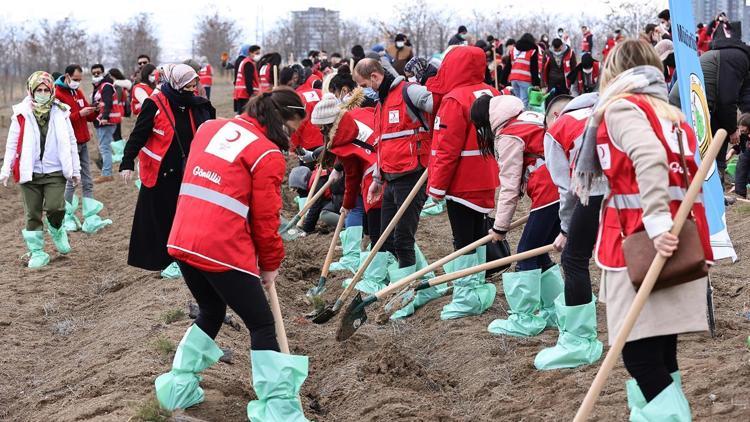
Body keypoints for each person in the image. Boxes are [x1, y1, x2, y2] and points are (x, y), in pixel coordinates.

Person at [573, 39, 712, 420]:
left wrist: (655, 224)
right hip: (680, 242)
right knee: (662, 347)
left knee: (637, 352)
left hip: (638, 245)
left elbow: (649, 158)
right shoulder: (673, 114)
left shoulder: (620, 108)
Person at [156, 88, 309, 420]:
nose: (291, 138)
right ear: (281, 120)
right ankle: (279, 409)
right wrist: (269, 265)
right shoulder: (267, 155)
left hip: (183, 239)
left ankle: (179, 386)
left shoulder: (210, 128)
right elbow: (267, 220)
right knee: (261, 323)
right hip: (221, 248)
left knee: (211, 309)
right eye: (293, 129)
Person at [471, 94, 563, 338]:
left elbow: (509, 186)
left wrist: (500, 228)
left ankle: (525, 319)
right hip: (563, 185)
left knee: (524, 254)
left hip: (550, 189)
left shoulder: (508, 135)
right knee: (539, 251)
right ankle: (555, 309)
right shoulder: (525, 115)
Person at [353, 58, 436, 311]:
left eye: (364, 84)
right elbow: (384, 145)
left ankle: (405, 297)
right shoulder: (381, 102)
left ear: (376, 77)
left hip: (413, 175)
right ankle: (425, 283)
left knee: (403, 238)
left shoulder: (409, 92)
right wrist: (377, 179)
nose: (363, 90)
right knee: (387, 236)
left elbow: (440, 106)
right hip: (390, 179)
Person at [119, 64, 215, 279]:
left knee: (188, 216)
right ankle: (170, 259)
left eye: (194, 86)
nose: (192, 91)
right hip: (162, 173)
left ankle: (189, 255)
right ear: (176, 84)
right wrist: (126, 162)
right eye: (187, 87)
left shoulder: (199, 105)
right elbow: (138, 135)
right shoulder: (154, 104)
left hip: (191, 171)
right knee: (165, 217)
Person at [426, 46, 500, 320]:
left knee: (463, 239)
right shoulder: (493, 92)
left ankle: (467, 295)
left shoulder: (454, 99)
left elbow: (447, 148)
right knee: (478, 235)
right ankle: (477, 286)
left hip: (462, 182)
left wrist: (436, 187)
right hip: (486, 177)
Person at [533, 92, 604, 371]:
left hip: (595, 188)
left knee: (574, 259)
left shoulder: (558, 129)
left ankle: (578, 340)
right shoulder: (604, 107)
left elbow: (567, 188)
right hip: (631, 187)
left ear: (552, 116)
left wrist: (566, 228)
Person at [1, 71, 80, 268]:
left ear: (52, 90)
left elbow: (71, 142)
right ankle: (37, 252)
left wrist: (75, 170)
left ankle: (56, 228)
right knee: (33, 214)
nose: (43, 93)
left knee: (56, 207)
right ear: (31, 91)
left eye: (46, 90)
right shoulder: (21, 113)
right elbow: (11, 144)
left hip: (55, 171)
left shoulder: (61, 111)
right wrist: (5, 170)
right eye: (39, 90)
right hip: (30, 172)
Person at [311, 90, 387, 291]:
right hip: (387, 162)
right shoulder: (351, 116)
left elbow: (352, 178)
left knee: (376, 228)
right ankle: (371, 269)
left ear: (328, 125)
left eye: (321, 129)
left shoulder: (341, 139)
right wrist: (338, 168)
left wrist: (347, 205)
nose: (320, 133)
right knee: (388, 227)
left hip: (376, 172)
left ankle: (374, 278)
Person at [669, 35, 750, 183]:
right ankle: (701, 189)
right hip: (685, 104)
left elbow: (746, 99)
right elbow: (727, 100)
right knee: (694, 152)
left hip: (701, 102)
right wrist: (733, 129)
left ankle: (717, 189)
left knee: (721, 130)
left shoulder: (739, 60)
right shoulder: (738, 58)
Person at [54, 64, 112, 234]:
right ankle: (65, 217)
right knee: (72, 180)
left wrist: (95, 110)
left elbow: (88, 115)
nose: (77, 83)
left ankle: (90, 217)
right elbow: (61, 120)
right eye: (75, 79)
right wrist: (80, 114)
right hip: (69, 144)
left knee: (87, 180)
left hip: (83, 141)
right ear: (67, 76)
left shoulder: (77, 92)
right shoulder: (57, 95)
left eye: (80, 80)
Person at [90, 64, 122, 183]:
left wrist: (105, 117)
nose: (96, 74)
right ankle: (106, 172)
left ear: (103, 72)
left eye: (98, 72)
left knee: (105, 148)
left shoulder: (106, 86)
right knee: (104, 147)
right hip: (101, 121)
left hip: (106, 122)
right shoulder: (98, 87)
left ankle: (107, 173)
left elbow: (108, 103)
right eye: (94, 73)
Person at [501, 33, 540, 108]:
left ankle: (517, 117)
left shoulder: (513, 51)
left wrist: (502, 80)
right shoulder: (532, 51)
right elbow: (534, 68)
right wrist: (536, 83)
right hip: (525, 79)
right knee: (524, 102)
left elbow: (508, 67)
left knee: (518, 101)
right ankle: (522, 118)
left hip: (514, 79)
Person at [233, 44, 261, 113]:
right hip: (245, 94)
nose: (258, 55)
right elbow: (248, 80)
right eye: (256, 53)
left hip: (241, 93)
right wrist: (251, 94)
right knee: (246, 115)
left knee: (241, 114)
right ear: (250, 53)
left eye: (259, 53)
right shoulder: (248, 63)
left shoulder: (245, 61)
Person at [108, 68, 133, 145]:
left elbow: (117, 99)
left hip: (117, 110)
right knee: (117, 133)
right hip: (123, 109)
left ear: (112, 76)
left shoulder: (117, 85)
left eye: (109, 75)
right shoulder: (126, 85)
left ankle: (120, 152)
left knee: (116, 134)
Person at [731, 113, 750, 198]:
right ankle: (740, 193)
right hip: (746, 156)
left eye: (744, 128)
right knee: (742, 164)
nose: (742, 130)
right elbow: (740, 146)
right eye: (740, 128)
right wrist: (731, 152)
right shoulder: (742, 134)